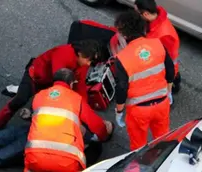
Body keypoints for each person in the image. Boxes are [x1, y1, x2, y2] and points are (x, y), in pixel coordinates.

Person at [0, 39, 103, 129]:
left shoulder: (82, 63)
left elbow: (80, 86)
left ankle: (32, 115)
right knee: (19, 100)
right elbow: (58, 80)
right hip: (34, 77)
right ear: (80, 53)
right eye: (88, 60)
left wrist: (82, 107)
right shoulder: (63, 53)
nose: (89, 64)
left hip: (49, 82)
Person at [24, 68, 114, 172]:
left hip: (34, 157)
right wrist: (104, 135)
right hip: (66, 163)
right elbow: (97, 126)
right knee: (97, 148)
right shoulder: (75, 99)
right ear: (71, 84)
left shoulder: (39, 96)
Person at [113, 10, 175, 151]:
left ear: (124, 34)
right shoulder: (158, 44)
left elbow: (122, 87)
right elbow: (170, 70)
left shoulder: (122, 58)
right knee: (163, 140)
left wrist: (119, 111)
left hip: (138, 111)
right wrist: (168, 92)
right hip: (161, 104)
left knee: (138, 147)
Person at [134, 0, 181, 97]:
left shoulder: (165, 35)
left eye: (136, 12)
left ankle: (170, 90)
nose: (135, 15)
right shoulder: (154, 22)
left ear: (145, 14)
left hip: (165, 72)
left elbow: (167, 62)